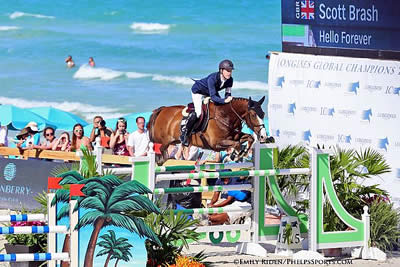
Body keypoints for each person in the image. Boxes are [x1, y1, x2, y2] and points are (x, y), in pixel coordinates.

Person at [180, 59, 235, 146]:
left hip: (210, 91)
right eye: (227, 70)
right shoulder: (212, 78)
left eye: (231, 71)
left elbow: (228, 93)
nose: (229, 73)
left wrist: (228, 100)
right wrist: (224, 100)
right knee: (198, 113)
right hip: (198, 91)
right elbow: (213, 97)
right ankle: (185, 134)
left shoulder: (230, 80)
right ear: (221, 70)